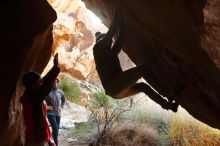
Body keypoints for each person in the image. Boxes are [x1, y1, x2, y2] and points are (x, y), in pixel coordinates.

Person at [93, 11, 178, 112]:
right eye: (109, 41)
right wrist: (119, 9)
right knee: (142, 70)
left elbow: (122, 37)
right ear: (101, 40)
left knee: (143, 87)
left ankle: (169, 106)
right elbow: (112, 30)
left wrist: (122, 17)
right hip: (114, 86)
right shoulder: (100, 45)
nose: (111, 42)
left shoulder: (108, 54)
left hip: (115, 91)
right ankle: (167, 93)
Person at [20, 54, 60, 146]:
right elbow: (46, 85)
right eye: (39, 82)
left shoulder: (30, 94)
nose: (41, 82)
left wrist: (55, 68)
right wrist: (55, 68)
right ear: (33, 84)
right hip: (35, 137)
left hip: (34, 135)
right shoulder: (34, 97)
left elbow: (44, 81)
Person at [45, 78, 65, 146]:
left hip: (58, 113)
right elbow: (40, 101)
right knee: (55, 128)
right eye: (54, 82)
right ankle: (55, 144)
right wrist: (47, 107)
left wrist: (61, 107)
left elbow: (63, 101)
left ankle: (52, 142)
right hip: (50, 113)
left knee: (56, 130)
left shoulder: (61, 92)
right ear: (51, 83)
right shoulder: (47, 91)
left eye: (56, 82)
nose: (55, 84)